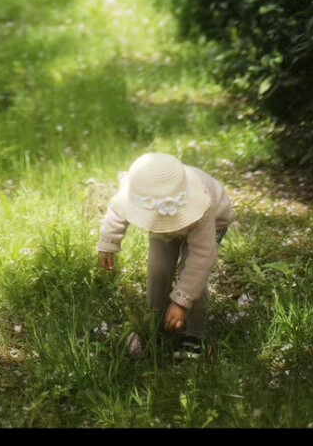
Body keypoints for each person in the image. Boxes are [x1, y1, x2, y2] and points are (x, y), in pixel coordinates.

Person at [96, 149, 234, 355]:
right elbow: (118, 209)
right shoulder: (138, 185)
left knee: (193, 274)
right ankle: (157, 320)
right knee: (158, 267)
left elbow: (201, 258)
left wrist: (181, 301)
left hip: (207, 223)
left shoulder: (202, 203)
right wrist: (108, 241)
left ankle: (194, 333)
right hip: (159, 222)